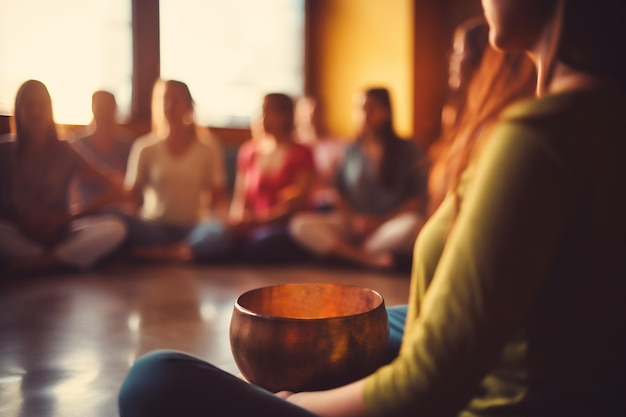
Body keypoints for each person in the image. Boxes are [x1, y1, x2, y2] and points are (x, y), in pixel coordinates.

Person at [119, 0, 626, 415]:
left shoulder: (537, 141)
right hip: (546, 350)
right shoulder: (588, 119)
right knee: (349, 322)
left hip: (493, 397)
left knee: (152, 379)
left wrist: (301, 404)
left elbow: (428, 386)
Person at [289, 87, 428, 270]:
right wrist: (354, 220)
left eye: (370, 109)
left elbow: (417, 199)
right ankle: (365, 258)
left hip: (388, 226)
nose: (363, 115)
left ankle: (347, 254)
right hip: (352, 225)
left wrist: (380, 222)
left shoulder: (408, 149)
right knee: (299, 225)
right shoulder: (350, 150)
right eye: (359, 109)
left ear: (385, 112)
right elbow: (337, 192)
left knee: (413, 226)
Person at [0, 80, 128, 276]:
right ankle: (57, 259)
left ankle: (42, 262)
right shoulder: (4, 151)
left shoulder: (66, 150)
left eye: (41, 105)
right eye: (28, 105)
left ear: (50, 109)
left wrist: (66, 218)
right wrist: (20, 221)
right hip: (18, 233)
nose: (35, 112)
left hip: (62, 233)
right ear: (18, 109)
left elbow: (115, 187)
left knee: (115, 228)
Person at [123, 79, 233, 263]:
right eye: (164, 100)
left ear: (189, 106)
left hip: (194, 228)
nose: (168, 106)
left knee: (220, 235)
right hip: (154, 226)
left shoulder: (208, 148)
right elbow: (131, 198)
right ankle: (181, 253)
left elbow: (217, 197)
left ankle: (169, 253)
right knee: (121, 221)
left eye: (175, 100)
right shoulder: (144, 147)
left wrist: (227, 222)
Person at [228, 93, 315, 263]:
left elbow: (297, 202)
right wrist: (239, 219)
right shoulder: (249, 151)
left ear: (286, 115)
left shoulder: (302, 153)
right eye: (260, 112)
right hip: (253, 225)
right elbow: (240, 197)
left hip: (286, 226)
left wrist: (259, 220)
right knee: (223, 238)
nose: (263, 118)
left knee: (261, 244)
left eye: (269, 112)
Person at [71, 90, 134, 212]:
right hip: (85, 211)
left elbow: (129, 190)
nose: (104, 113)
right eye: (101, 107)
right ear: (92, 108)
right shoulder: (78, 145)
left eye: (109, 108)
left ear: (115, 110)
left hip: (118, 211)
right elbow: (71, 189)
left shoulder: (129, 146)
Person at [294, 95, 346, 211]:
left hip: (328, 201)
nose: (311, 117)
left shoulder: (340, 145)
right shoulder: (292, 146)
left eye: (315, 113)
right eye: (306, 113)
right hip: (298, 202)